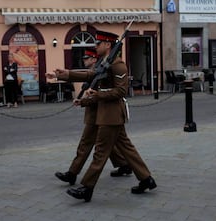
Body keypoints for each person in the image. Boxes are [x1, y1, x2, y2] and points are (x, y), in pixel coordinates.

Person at [48, 30, 156, 202]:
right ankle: (146, 179)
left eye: (98, 44)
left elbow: (121, 91)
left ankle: (87, 188)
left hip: (111, 115)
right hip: (107, 115)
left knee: (100, 152)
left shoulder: (118, 65)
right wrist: (64, 74)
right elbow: (90, 74)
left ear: (107, 45)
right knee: (127, 149)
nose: (95, 46)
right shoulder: (104, 63)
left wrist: (97, 95)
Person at [54, 48, 132, 186]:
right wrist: (63, 75)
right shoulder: (101, 66)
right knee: (112, 143)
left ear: (93, 59)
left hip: (103, 111)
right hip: (98, 110)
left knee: (97, 146)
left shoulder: (108, 66)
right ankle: (126, 166)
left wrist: (87, 99)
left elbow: (115, 90)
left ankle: (76, 176)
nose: (84, 60)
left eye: (87, 58)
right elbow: (87, 76)